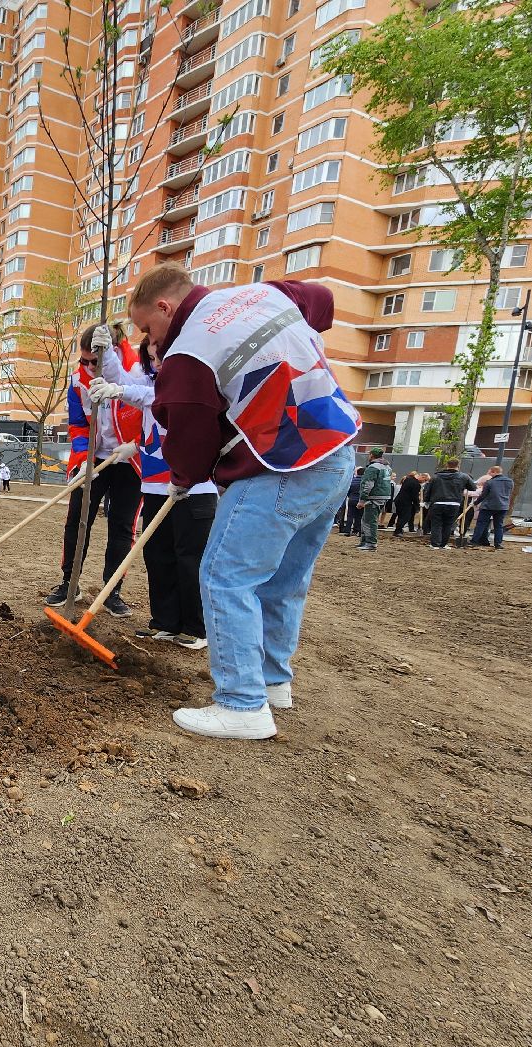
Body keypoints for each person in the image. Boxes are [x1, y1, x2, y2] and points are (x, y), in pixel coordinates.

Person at [134, 264, 360, 740]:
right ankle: (274, 684)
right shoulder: (265, 294)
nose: (150, 342)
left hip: (281, 466)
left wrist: (184, 476)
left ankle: (242, 705)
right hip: (338, 452)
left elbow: (191, 441)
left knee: (225, 576)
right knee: (283, 580)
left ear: (165, 307)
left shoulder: (188, 353)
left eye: (147, 329)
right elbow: (320, 298)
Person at [45, 323, 148, 617]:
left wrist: (137, 445)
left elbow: (154, 415)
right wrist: (83, 458)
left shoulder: (138, 373)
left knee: (122, 525)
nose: (88, 366)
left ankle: (111, 591)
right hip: (94, 459)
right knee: (77, 519)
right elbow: (78, 424)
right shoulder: (78, 381)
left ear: (112, 354)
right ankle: (69, 582)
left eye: (95, 361)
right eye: (84, 360)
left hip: (129, 460)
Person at [133, 338, 216, 650]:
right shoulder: (152, 387)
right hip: (155, 486)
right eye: (153, 360)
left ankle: (196, 628)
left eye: (161, 358)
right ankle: (165, 622)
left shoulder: (193, 386)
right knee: (157, 554)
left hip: (195, 490)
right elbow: (131, 384)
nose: (157, 366)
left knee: (189, 558)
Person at [423, 458, 476, 549]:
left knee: (436, 523)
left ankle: (435, 544)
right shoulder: (463, 477)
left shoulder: (436, 477)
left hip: (438, 502)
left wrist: (426, 501)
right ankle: (444, 544)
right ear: (458, 466)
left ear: (447, 465)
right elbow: (473, 487)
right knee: (448, 524)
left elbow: (429, 490)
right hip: (454, 503)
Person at [355, 447, 394, 552]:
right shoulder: (387, 467)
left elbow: (368, 484)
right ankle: (364, 541)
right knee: (367, 520)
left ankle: (370, 543)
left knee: (369, 521)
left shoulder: (373, 467)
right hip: (383, 496)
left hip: (373, 497)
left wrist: (362, 500)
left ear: (372, 455)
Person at [470, 465, 514, 549]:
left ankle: (474, 541)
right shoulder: (509, 481)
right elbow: (509, 493)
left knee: (481, 524)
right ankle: (498, 543)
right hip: (502, 506)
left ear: (494, 472)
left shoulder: (490, 482)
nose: (489, 475)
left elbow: (483, 495)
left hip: (488, 506)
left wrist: (476, 502)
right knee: (498, 525)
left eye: (489, 472)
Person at [391, 470, 423, 536]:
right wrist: (417, 506)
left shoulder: (407, 480)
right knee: (406, 517)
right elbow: (415, 496)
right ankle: (398, 531)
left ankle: (398, 529)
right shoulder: (416, 484)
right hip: (406, 502)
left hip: (399, 500)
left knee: (401, 516)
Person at [339, 467, 364, 536]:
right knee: (359, 516)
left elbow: (348, 491)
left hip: (352, 500)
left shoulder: (352, 480)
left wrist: (350, 496)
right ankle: (357, 530)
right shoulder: (365, 481)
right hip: (361, 500)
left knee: (350, 515)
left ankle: (347, 530)